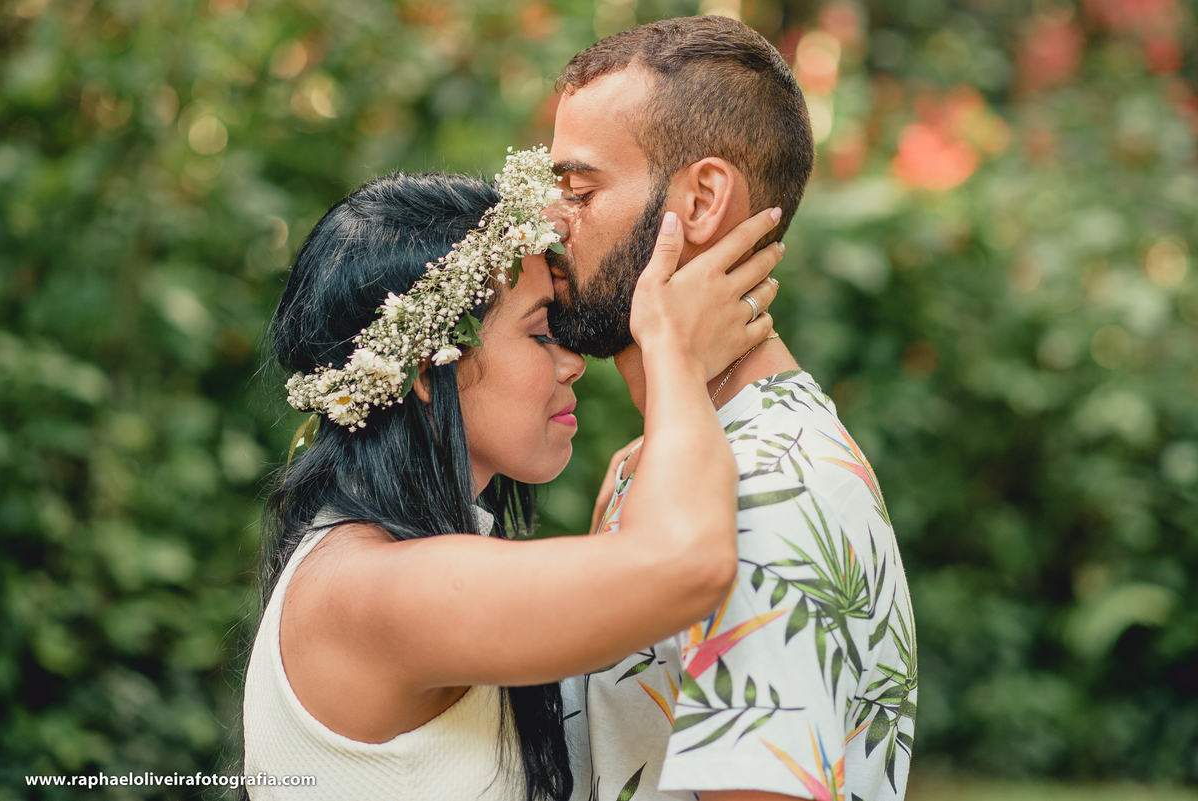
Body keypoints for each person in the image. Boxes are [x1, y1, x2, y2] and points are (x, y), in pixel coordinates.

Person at [240, 151, 786, 801]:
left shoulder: (385, 560)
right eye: (539, 332)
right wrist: (673, 351)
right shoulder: (368, 590)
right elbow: (685, 565)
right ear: (424, 370)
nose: (573, 363)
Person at [545, 17, 917, 801]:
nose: (549, 222)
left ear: (703, 200)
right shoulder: (660, 464)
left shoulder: (772, 488)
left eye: (578, 189)